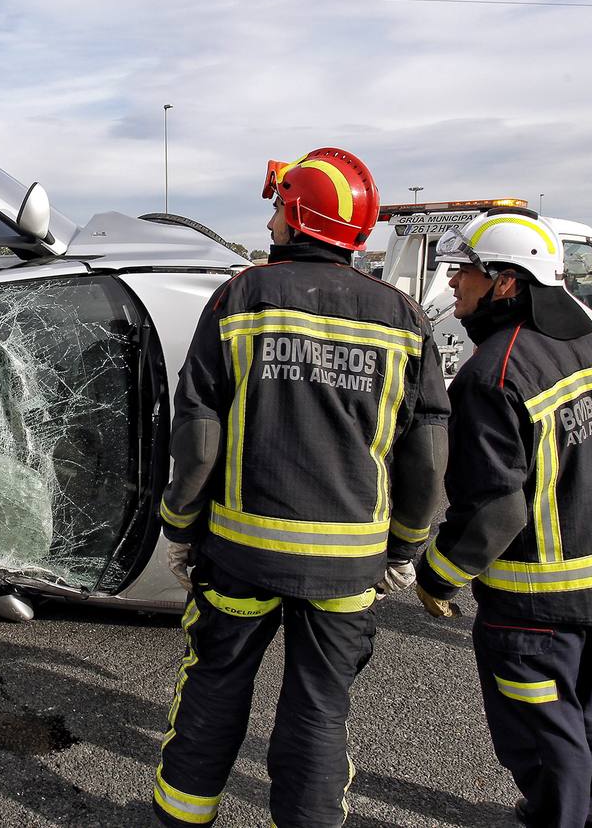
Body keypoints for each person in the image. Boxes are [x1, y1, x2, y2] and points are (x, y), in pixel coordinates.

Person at [152, 149, 450, 828]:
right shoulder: (403, 318)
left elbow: (199, 435)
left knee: (215, 690)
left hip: (240, 554)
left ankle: (178, 819)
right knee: (318, 711)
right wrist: (405, 546)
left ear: (293, 214)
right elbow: (428, 454)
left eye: (277, 206)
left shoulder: (241, 296)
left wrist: (180, 524)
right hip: (348, 566)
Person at [415, 209, 592, 828]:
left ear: (505, 282)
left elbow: (495, 507)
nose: (451, 286)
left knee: (548, 746)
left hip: (537, 607)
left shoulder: (495, 372)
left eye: (464, 273)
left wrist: (437, 576)